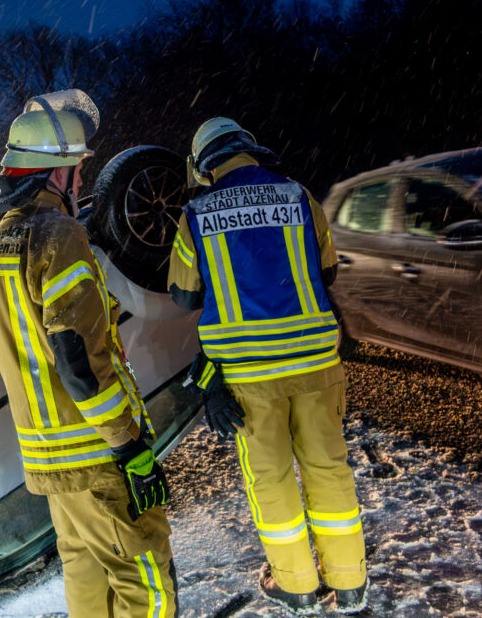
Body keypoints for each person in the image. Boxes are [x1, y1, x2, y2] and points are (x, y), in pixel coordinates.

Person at [0, 89, 177, 618]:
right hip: (97, 452)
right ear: (57, 170)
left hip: (53, 456)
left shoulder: (3, 237)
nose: (83, 180)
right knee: (146, 584)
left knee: (86, 579)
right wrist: (128, 444)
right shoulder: (58, 234)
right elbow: (78, 362)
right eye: (79, 168)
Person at [167, 117, 368, 615]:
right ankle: (349, 582)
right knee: (328, 469)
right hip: (315, 362)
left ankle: (296, 585)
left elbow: (183, 295)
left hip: (248, 376)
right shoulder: (298, 196)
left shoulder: (196, 213)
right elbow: (328, 271)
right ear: (249, 149)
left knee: (272, 481)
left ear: (204, 165)